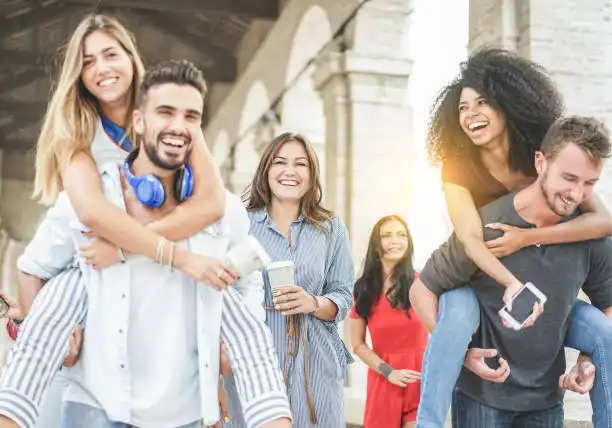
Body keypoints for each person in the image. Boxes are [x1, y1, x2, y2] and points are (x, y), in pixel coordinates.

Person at [0, 59, 293, 428]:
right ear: (138, 121)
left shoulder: (222, 213)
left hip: (185, 414)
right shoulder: (88, 206)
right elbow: (36, 283)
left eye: (191, 116)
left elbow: (250, 333)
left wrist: (226, 354)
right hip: (97, 410)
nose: (178, 126)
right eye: (166, 112)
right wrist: (63, 338)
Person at [414, 48, 612, 427]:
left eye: (483, 102)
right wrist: (509, 283)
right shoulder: (458, 166)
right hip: (478, 273)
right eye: (463, 107)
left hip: (543, 297)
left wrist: (527, 238)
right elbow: (471, 240)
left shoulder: (540, 147)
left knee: (603, 331)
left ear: (509, 105)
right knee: (455, 316)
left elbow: (602, 221)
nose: (470, 114)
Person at [222, 132, 354, 427]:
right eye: (280, 162)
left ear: (311, 173)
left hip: (315, 362)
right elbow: (220, 292)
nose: (290, 171)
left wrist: (314, 302)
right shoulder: (241, 223)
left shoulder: (331, 229)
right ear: (266, 170)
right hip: (253, 361)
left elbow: (344, 294)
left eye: (301, 164)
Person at [349, 215, 427, 428]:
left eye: (401, 235)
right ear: (376, 245)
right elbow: (357, 344)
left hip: (419, 379)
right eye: (387, 235)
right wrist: (388, 372)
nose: (395, 240)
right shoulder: (362, 290)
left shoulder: (423, 284)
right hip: (384, 380)